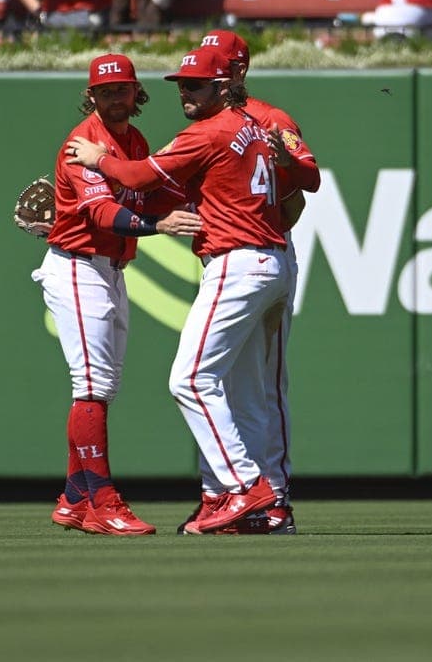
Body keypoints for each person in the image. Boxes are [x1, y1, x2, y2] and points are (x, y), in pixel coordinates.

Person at [65, 46, 290, 536]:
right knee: (244, 391)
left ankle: (245, 488)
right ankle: (236, 501)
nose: (185, 92)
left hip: (238, 261)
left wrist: (102, 162)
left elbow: (142, 178)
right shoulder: (251, 125)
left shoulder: (205, 131)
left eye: (196, 84)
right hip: (269, 259)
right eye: (182, 84)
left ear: (223, 86)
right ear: (92, 95)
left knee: (189, 381)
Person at [37, 53, 201, 536]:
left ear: (136, 93)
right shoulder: (81, 144)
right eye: (104, 90)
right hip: (76, 267)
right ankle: (102, 500)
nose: (114, 96)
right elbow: (104, 215)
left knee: (101, 387)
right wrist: (160, 224)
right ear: (91, 95)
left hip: (110, 269)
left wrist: (187, 193)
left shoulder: (133, 140)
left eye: (121, 88)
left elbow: (145, 193)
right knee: (91, 386)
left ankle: (73, 498)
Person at [187, 29, 321, 536]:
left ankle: (274, 498)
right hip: (227, 258)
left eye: (213, 66)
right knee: (222, 382)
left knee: (262, 385)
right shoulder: (211, 124)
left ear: (235, 73)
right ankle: (225, 496)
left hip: (262, 254)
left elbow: (303, 189)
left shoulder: (270, 119)